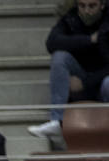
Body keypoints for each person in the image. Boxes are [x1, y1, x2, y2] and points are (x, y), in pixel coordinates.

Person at [28, 0, 109, 140]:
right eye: (82, 6)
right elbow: (52, 43)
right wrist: (90, 40)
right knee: (60, 57)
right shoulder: (71, 19)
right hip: (78, 83)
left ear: (102, 5)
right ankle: (57, 121)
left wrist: (85, 83)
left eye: (92, 6)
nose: (86, 11)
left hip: (101, 84)